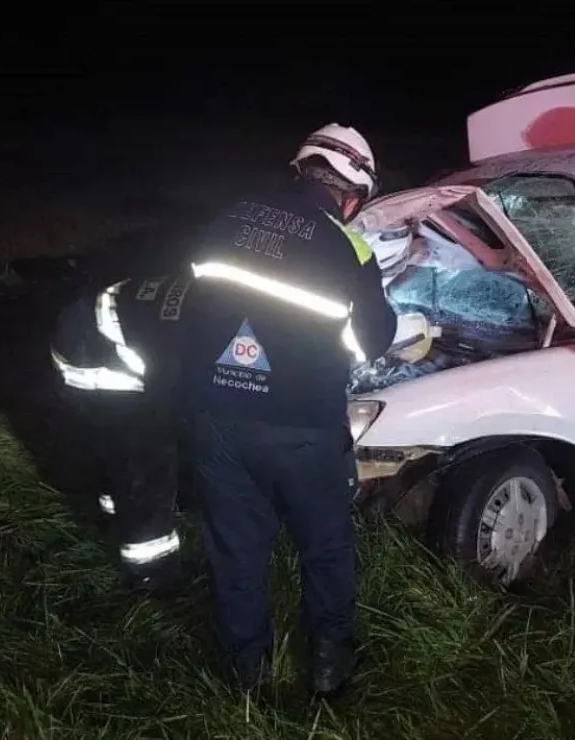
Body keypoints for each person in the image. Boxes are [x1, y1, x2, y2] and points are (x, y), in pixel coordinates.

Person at [175, 123, 397, 697]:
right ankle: (328, 668)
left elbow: (191, 308)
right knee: (324, 547)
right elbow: (371, 341)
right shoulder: (350, 246)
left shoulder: (225, 220)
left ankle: (246, 676)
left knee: (235, 549)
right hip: (301, 427)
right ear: (352, 196)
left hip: (214, 419)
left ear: (302, 168)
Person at [50, 273, 189, 595]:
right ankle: (152, 573)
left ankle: (114, 512)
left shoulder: (212, 301)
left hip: (89, 330)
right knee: (145, 465)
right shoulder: (195, 338)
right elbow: (175, 393)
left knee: (115, 453)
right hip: (97, 362)